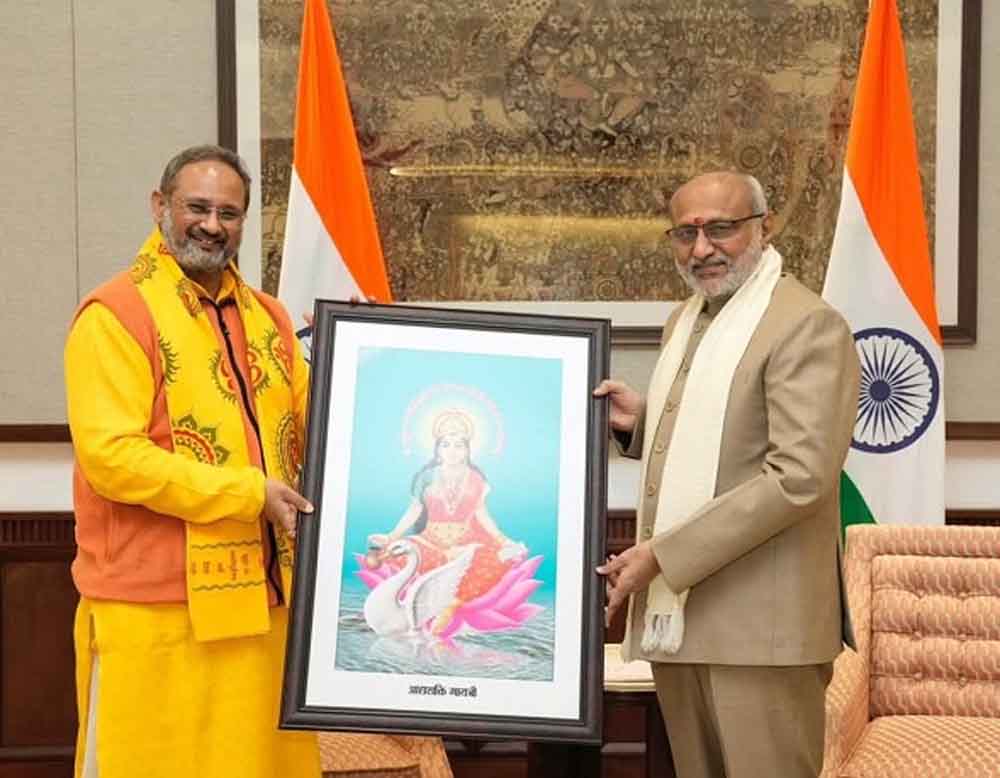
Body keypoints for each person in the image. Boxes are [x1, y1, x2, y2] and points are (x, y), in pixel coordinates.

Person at [64, 145, 452, 778]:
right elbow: (113, 458)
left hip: (266, 612)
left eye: (229, 213)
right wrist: (249, 495)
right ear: (160, 206)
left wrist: (360, 354)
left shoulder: (268, 317)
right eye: (196, 208)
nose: (211, 225)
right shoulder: (116, 316)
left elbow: (319, 427)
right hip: (155, 618)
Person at [594, 171, 859, 778]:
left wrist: (662, 555)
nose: (702, 248)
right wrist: (641, 422)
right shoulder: (686, 320)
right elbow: (722, 441)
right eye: (685, 233)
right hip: (682, 623)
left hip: (764, 633)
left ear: (765, 227)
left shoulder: (805, 324)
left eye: (720, 229)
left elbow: (799, 475)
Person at [368, 408, 527, 633]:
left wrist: (502, 540)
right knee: (405, 551)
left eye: (459, 445)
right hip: (430, 539)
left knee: (494, 557)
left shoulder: (476, 478)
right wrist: (391, 536)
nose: (452, 451)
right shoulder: (425, 477)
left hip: (466, 540)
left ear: (467, 450)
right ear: (437, 449)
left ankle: (452, 603)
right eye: (446, 444)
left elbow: (481, 513)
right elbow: (415, 510)